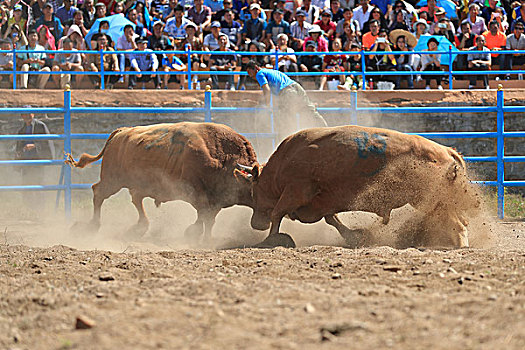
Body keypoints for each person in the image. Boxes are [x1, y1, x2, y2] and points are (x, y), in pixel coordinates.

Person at [245, 60, 327, 142]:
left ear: (255, 68)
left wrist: (267, 105)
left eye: (249, 71)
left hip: (287, 92)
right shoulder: (270, 71)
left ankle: (288, 142)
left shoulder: (259, 73)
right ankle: (326, 130)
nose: (249, 74)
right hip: (296, 87)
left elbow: (267, 89)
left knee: (285, 118)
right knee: (309, 110)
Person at [15, 107, 55, 206]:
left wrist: (35, 146)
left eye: (30, 113)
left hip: (37, 161)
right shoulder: (21, 130)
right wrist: (19, 155)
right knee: (26, 188)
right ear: (22, 116)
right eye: (25, 114)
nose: (28, 116)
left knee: (38, 186)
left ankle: (40, 212)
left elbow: (47, 143)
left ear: (33, 114)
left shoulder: (40, 126)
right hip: (26, 162)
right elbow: (18, 147)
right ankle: (29, 211)